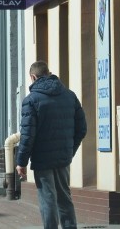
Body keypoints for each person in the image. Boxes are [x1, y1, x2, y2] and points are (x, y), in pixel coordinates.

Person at [16, 61, 87, 229]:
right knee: (64, 197)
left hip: (42, 158)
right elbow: (82, 129)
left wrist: (21, 162)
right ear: (49, 73)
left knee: (47, 199)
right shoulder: (70, 95)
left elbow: (27, 135)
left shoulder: (31, 100)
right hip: (63, 157)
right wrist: (69, 150)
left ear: (33, 77)